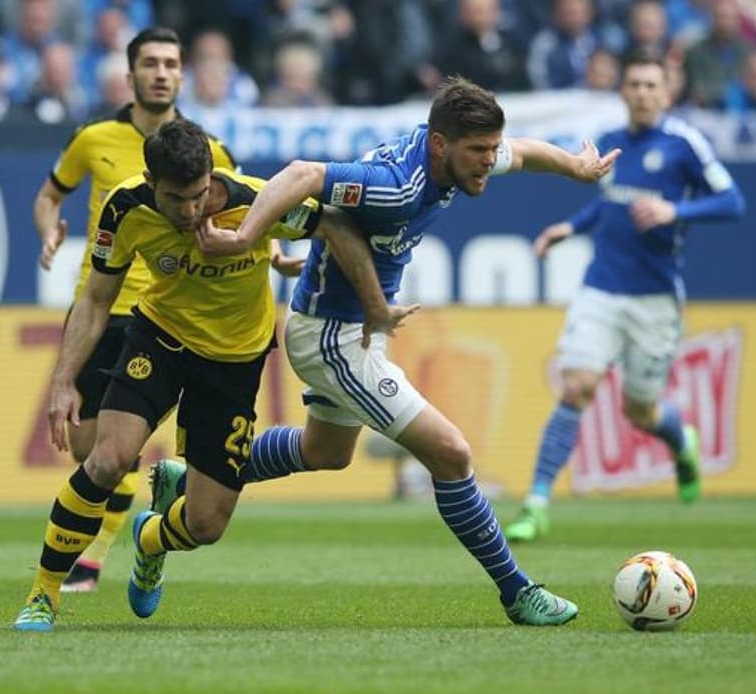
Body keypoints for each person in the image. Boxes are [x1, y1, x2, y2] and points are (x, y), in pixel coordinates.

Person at [189, 76, 620, 626]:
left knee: (325, 452)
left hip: (347, 329)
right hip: (331, 336)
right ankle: (518, 591)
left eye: (492, 150)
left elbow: (526, 152)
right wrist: (249, 234)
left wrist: (574, 167)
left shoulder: (454, 152)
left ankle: (205, 471)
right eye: (480, 153)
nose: (490, 162)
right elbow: (302, 174)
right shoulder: (396, 185)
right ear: (442, 145)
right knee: (452, 453)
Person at [13, 118, 401, 632]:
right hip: (159, 339)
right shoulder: (126, 207)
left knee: (206, 525)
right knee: (107, 459)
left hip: (233, 362)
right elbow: (97, 299)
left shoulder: (255, 200)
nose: (191, 210)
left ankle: (150, 539)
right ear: (151, 183)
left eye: (198, 195)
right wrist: (64, 381)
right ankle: (43, 594)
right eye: (176, 199)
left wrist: (374, 305)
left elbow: (335, 225)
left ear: (211, 176)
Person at [33, 26, 300, 594]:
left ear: (181, 73)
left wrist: (274, 254)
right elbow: (52, 197)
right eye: (149, 63)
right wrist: (47, 232)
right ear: (129, 73)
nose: (160, 73)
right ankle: (55, 585)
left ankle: (134, 541)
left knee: (198, 516)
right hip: (135, 314)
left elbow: (270, 213)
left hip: (219, 336)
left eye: (170, 63)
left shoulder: (217, 159)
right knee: (97, 455)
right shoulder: (98, 144)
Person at [503, 53, 746, 543]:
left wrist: (673, 210)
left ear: (667, 92)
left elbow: (733, 201)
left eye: (651, 85)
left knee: (641, 411)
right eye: (634, 83)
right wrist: (570, 227)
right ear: (623, 91)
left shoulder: (683, 145)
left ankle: (681, 443)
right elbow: (608, 203)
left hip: (654, 299)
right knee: (576, 388)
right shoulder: (611, 143)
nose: (641, 92)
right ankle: (537, 503)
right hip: (601, 288)